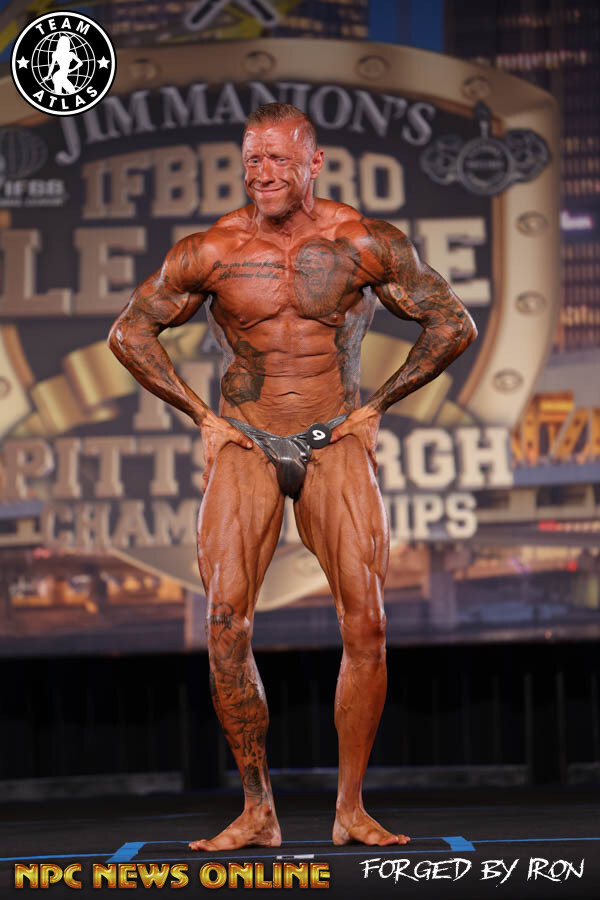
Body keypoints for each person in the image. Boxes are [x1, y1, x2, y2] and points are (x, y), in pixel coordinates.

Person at [108, 102, 477, 851]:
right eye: (252, 159)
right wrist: (202, 418)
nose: (263, 172)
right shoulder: (212, 250)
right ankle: (257, 809)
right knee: (225, 623)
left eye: (278, 158)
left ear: (314, 163)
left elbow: (452, 323)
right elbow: (129, 332)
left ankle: (350, 808)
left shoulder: (361, 241)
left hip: (332, 435)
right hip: (246, 439)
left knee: (366, 624)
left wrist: (375, 407)